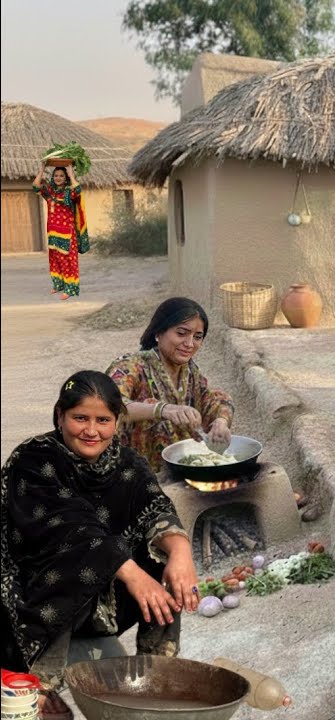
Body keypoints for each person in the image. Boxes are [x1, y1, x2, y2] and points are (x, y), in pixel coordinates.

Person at [0, 371, 198, 716]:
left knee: (163, 559)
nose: (92, 431)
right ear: (59, 416)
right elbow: (73, 527)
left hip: (98, 600)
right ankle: (41, 684)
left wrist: (181, 554)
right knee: (78, 556)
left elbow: (157, 507)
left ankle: (154, 672)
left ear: (116, 422)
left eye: (103, 420)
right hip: (31, 597)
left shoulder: (126, 464)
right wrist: (134, 575)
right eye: (80, 418)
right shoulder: (33, 460)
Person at [106, 298, 234, 477]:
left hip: (179, 467)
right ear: (159, 333)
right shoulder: (131, 366)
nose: (190, 344)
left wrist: (220, 423)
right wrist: (162, 409)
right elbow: (107, 405)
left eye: (197, 337)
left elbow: (212, 399)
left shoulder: (189, 371)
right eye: (181, 333)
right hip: (131, 472)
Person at [32, 163, 90, 300]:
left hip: (67, 233)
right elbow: (35, 186)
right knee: (55, 259)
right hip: (52, 231)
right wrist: (41, 170)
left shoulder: (69, 191)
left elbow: (78, 190)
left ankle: (70, 288)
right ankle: (58, 284)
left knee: (68, 260)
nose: (58, 178)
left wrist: (71, 174)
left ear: (65, 178)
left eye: (61, 176)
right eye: (56, 175)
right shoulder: (49, 191)